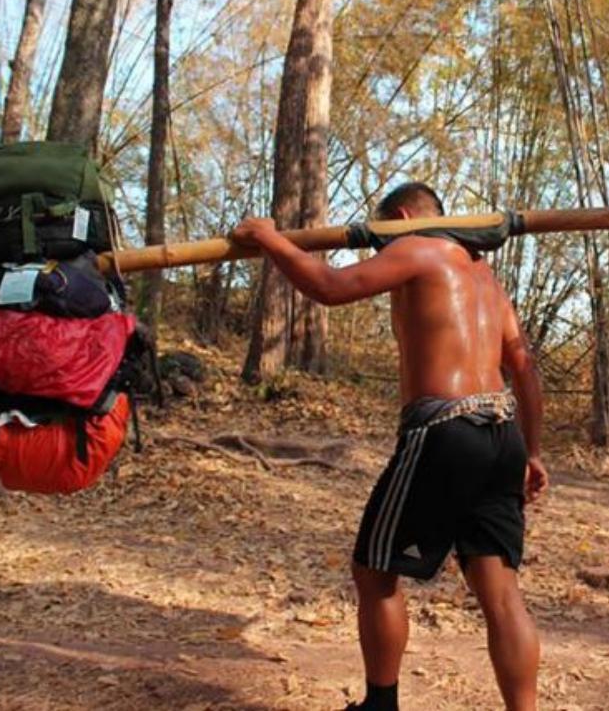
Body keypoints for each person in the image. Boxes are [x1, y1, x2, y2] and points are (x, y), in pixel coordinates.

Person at [231, 182, 547, 711]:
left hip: (446, 431)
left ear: (400, 218)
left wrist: (269, 238)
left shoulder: (418, 247)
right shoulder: (487, 277)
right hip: (502, 433)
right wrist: (532, 452)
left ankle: (380, 706)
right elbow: (523, 366)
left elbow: (330, 286)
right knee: (499, 589)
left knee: (375, 572)